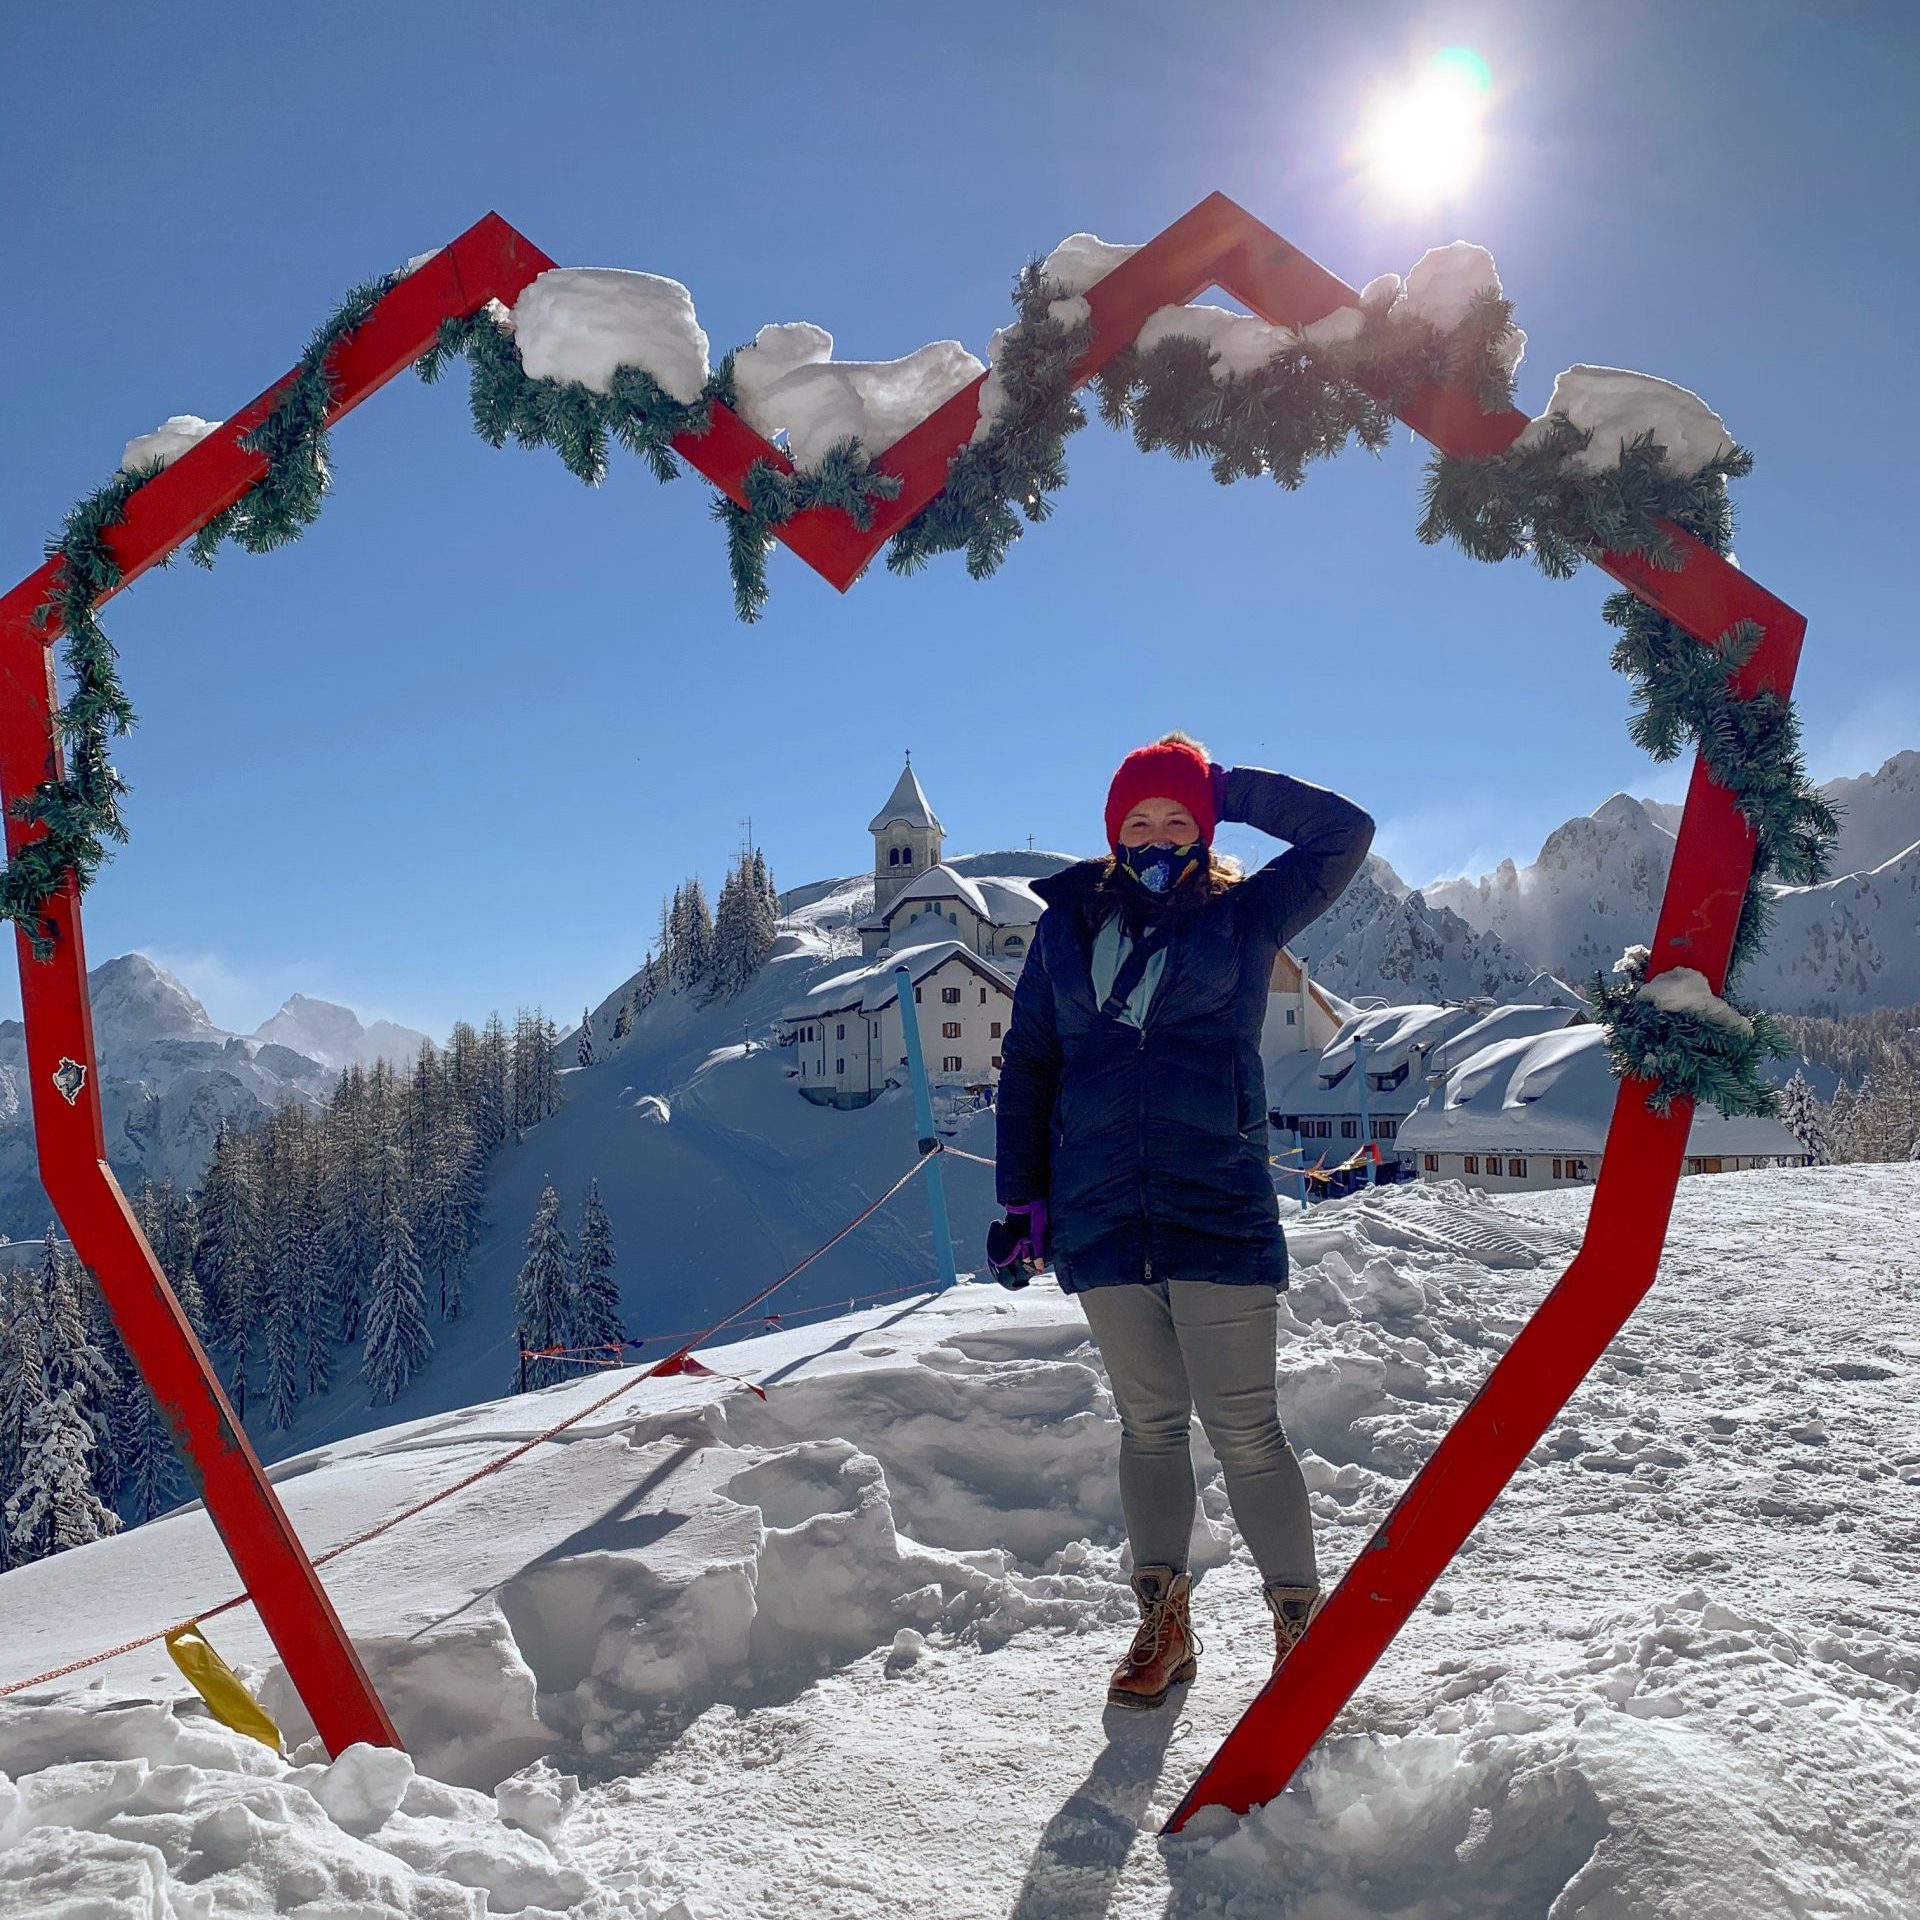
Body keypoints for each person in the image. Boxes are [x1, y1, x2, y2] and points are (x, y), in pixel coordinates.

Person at [991, 732, 1373, 1710]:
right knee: (1148, 1426)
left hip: (1217, 1206)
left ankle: (1300, 1630)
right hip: (1101, 1216)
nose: (1156, 836)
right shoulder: (1066, 929)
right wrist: (1022, 1198)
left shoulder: (1245, 917)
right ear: (1112, 836)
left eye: (1177, 820)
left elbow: (1343, 834)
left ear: (1203, 833)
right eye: (1139, 821)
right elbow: (1033, 1063)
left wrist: (1229, 785)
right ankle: (1163, 1626)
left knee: (1245, 1430)